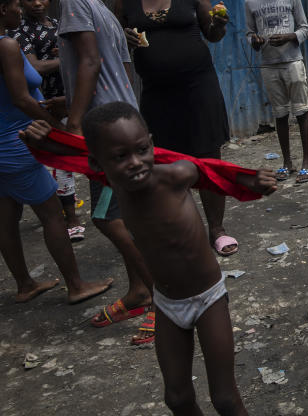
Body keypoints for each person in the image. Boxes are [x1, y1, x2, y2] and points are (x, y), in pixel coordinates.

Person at [20, 103, 277, 416]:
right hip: (167, 304)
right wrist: (45, 140)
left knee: (224, 398)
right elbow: (69, 155)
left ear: (152, 143)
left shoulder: (173, 175)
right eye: (120, 156)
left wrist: (249, 180)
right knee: (177, 399)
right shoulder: (112, 181)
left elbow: (210, 172)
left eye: (142, 149)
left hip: (208, 299)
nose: (135, 163)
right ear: (98, 163)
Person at [115, 0, 237, 257]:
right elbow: (114, 41)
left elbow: (211, 34)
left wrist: (220, 24)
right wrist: (122, 39)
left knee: (208, 157)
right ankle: (186, 228)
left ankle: (217, 229)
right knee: (167, 163)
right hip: (157, 93)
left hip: (198, 88)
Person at [55, 0, 156, 342]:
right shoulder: (108, 15)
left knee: (104, 216)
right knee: (124, 214)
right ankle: (138, 291)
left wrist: (76, 122)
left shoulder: (72, 3)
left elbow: (90, 63)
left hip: (104, 131)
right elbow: (119, 72)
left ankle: (161, 297)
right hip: (122, 119)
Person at [0, 0, 112, 304]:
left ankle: (25, 284)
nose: (19, 11)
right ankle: (76, 285)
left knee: (6, 215)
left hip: (5, 143)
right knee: (51, 213)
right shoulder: (6, 45)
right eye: (16, 5)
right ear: (2, 8)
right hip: (16, 141)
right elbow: (22, 99)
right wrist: (58, 128)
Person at [11, 0, 80, 238]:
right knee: (59, 161)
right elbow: (35, 67)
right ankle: (71, 217)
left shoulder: (56, 24)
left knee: (69, 157)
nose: (37, 3)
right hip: (45, 102)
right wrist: (65, 59)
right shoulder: (20, 32)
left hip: (68, 99)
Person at [244, 0, 308, 184]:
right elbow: (249, 34)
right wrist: (255, 40)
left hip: (293, 62)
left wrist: (289, 36)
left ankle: (307, 162)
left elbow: (305, 28)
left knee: (302, 111)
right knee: (280, 114)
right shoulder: (251, 3)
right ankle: (286, 162)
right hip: (269, 65)